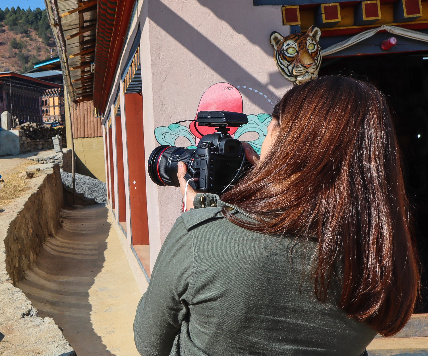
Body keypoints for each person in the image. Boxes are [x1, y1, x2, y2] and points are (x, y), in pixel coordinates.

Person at [134, 76, 419, 355]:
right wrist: (266, 187)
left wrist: (204, 219)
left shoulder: (198, 236)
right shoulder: (378, 259)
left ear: (281, 139)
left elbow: (149, 343)